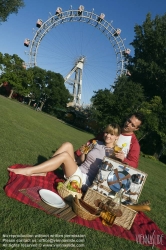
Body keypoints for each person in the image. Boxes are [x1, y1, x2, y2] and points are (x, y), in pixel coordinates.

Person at [7, 124, 121, 190]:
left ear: (117, 137)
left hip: (84, 180)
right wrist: (83, 152)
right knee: (68, 145)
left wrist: (118, 159)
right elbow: (82, 161)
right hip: (79, 169)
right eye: (106, 132)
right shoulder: (97, 143)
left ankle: (29, 171)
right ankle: (44, 170)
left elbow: (110, 175)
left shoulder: (113, 153)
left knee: (65, 156)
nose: (108, 136)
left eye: (111, 134)